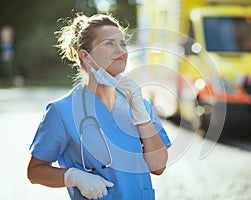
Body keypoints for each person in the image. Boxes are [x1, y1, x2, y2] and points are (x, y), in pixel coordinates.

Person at [27, 13, 171, 200]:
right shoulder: (62, 112)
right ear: (85, 56)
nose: (121, 50)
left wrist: (142, 117)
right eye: (109, 43)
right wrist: (73, 177)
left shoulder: (139, 105)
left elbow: (158, 167)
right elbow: (35, 171)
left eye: (123, 43)